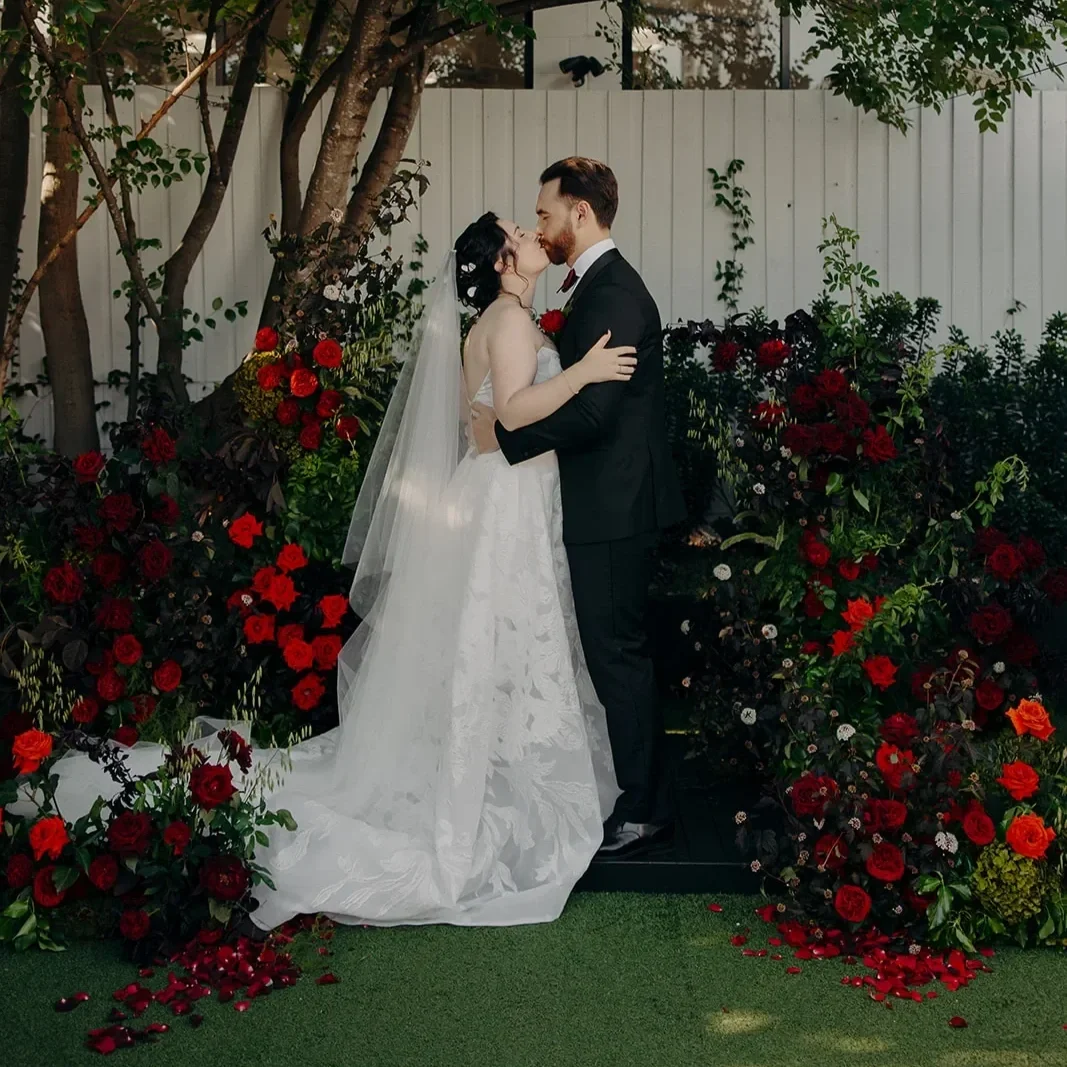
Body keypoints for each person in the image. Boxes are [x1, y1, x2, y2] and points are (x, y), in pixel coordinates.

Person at [33, 211, 634, 929]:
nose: (533, 235)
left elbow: (476, 421)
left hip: (496, 492)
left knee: (492, 644)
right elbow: (506, 413)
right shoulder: (507, 324)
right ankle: (491, 781)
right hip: (502, 502)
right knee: (500, 640)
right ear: (505, 264)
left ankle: (493, 766)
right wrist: (587, 373)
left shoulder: (501, 322)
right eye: (519, 231)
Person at [471, 158, 687, 857]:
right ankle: (637, 793)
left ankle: (644, 807)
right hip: (601, 501)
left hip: (614, 504)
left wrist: (506, 435)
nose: (539, 224)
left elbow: (594, 413)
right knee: (608, 654)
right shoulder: (593, 289)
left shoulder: (613, 294)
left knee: (615, 656)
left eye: (544, 213)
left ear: (580, 214)